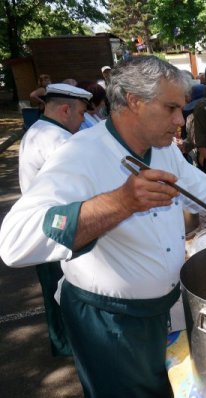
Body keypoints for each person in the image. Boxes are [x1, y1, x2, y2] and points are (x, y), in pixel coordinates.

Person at [0, 55, 206, 397]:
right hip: (109, 323)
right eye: (170, 108)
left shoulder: (160, 147)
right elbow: (15, 241)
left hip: (159, 311)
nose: (181, 119)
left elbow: (196, 185)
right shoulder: (78, 155)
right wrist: (120, 202)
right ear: (134, 101)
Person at [18, 83, 92, 358]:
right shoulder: (60, 141)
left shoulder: (37, 130)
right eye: (82, 113)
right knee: (64, 291)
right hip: (58, 227)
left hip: (45, 224)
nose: (83, 119)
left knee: (52, 290)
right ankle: (69, 347)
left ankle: (62, 343)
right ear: (65, 110)